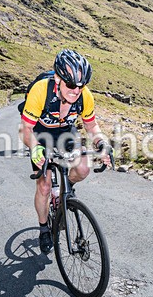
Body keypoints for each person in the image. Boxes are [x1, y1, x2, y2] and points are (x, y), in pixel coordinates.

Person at [20, 49, 112, 253]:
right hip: (41, 134)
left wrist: (101, 143)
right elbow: (25, 129)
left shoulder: (84, 96)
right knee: (44, 185)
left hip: (66, 133)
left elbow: (91, 126)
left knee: (83, 168)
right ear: (57, 79)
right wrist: (35, 149)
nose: (76, 91)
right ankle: (44, 228)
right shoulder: (41, 91)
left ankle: (66, 191)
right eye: (70, 85)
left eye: (81, 86)